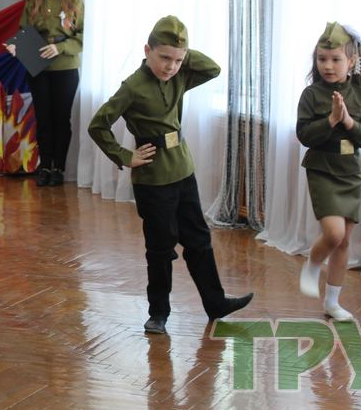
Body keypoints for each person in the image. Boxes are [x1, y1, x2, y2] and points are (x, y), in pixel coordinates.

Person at [88, 16, 253, 335]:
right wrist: (126, 156)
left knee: (199, 240)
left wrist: (183, 54)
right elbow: (98, 125)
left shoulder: (180, 76)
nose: (171, 66)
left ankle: (215, 302)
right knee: (160, 247)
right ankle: (158, 313)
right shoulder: (133, 87)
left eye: (178, 60)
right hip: (153, 179)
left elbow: (213, 69)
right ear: (147, 50)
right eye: (164, 57)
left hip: (182, 169)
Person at [296, 22, 361, 322]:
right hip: (322, 169)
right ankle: (312, 264)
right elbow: (304, 135)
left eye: (335, 59)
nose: (327, 66)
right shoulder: (311, 95)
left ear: (352, 61)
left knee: (344, 242)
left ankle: (332, 302)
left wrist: (348, 121)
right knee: (334, 232)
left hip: (350, 171)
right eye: (322, 59)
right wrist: (330, 120)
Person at [4, 0, 84, 186]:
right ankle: (45, 166)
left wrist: (61, 48)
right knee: (43, 118)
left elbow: (83, 36)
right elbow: (24, 33)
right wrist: (16, 47)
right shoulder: (33, 3)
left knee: (61, 118)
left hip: (65, 66)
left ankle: (58, 167)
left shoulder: (74, 2)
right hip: (38, 65)